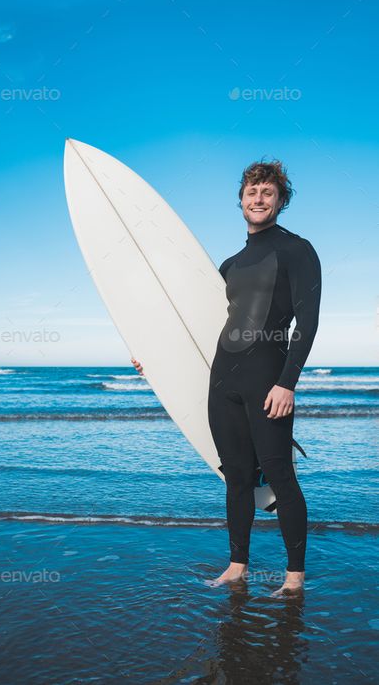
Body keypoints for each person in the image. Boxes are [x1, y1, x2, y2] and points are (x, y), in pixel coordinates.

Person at [132, 160, 322, 597]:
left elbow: (306, 324)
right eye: (252, 192)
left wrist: (287, 382)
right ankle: (238, 565)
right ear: (240, 200)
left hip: (267, 381)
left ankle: (294, 577)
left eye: (267, 193)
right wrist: (155, 363)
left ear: (280, 200)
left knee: (279, 475)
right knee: (236, 477)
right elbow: (199, 329)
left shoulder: (297, 250)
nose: (259, 199)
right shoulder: (229, 265)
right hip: (223, 382)